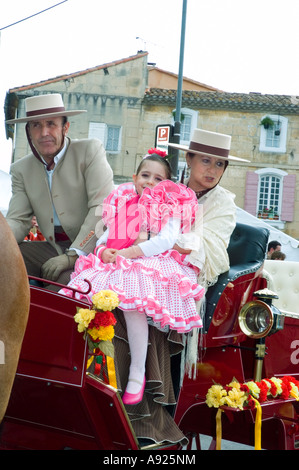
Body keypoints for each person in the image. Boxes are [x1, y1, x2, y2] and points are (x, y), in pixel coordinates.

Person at [60, 149, 205, 405]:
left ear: (168, 184)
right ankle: (74, 357)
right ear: (135, 177)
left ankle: (137, 370)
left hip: (148, 261)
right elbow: (106, 234)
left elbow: (166, 240)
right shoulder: (123, 203)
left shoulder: (168, 206)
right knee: (82, 292)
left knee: (134, 306)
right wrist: (104, 250)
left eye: (158, 179)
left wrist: (129, 252)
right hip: (118, 260)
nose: (150, 182)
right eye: (146, 175)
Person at [5, 93, 114, 287]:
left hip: (93, 249)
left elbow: (102, 207)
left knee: (65, 289)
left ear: (66, 127)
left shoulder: (90, 151)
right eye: (36, 125)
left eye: (51, 124)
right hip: (52, 247)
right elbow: (18, 220)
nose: (44, 132)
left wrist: (73, 255)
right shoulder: (21, 169)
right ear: (29, 131)